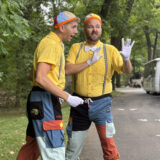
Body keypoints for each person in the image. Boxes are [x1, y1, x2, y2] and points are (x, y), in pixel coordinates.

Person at [65, 13, 135, 160]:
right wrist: (89, 61)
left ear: (101, 30)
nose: (94, 30)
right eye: (90, 26)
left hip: (103, 105)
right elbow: (67, 70)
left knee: (109, 147)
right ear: (85, 29)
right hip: (79, 105)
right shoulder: (75, 48)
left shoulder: (110, 50)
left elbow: (127, 70)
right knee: (72, 149)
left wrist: (127, 59)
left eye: (97, 27)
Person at [17, 11, 84, 160]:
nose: (76, 31)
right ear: (61, 27)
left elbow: (32, 75)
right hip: (45, 100)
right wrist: (66, 96)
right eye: (73, 27)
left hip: (39, 98)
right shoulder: (51, 44)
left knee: (32, 146)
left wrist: (56, 91)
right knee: (55, 151)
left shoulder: (51, 43)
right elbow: (40, 77)